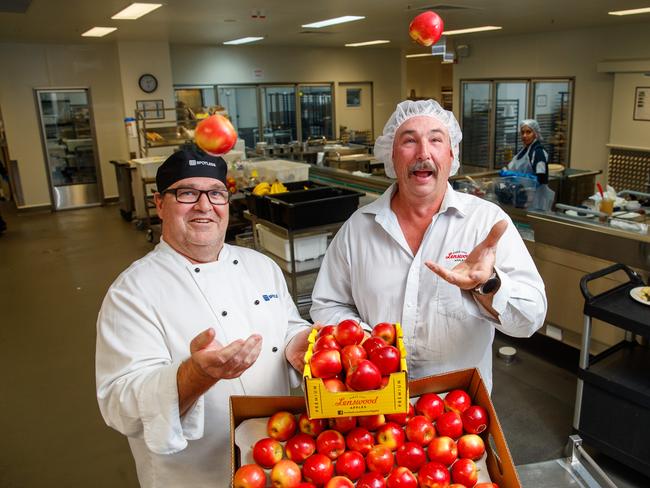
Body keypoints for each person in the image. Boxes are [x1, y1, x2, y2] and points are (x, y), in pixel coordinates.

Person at [96, 146, 312, 487]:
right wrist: (193, 376)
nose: (204, 205)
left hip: (279, 465)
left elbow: (287, 326)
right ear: (159, 203)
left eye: (215, 193)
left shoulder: (261, 267)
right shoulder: (133, 293)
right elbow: (119, 404)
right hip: (196, 475)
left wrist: (297, 342)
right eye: (187, 193)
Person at [310, 100, 547, 392]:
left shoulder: (487, 224)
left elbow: (529, 320)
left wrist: (488, 285)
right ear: (391, 155)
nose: (423, 153)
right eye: (409, 140)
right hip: (373, 407)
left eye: (436, 139)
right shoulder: (357, 230)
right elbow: (328, 304)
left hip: (457, 415)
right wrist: (368, 346)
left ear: (451, 154)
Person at [507, 119, 549, 184]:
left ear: (535, 134)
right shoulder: (522, 150)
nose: (524, 135)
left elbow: (541, 179)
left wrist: (522, 177)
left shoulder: (538, 151)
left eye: (528, 132)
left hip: (535, 193)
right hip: (523, 191)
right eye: (522, 132)